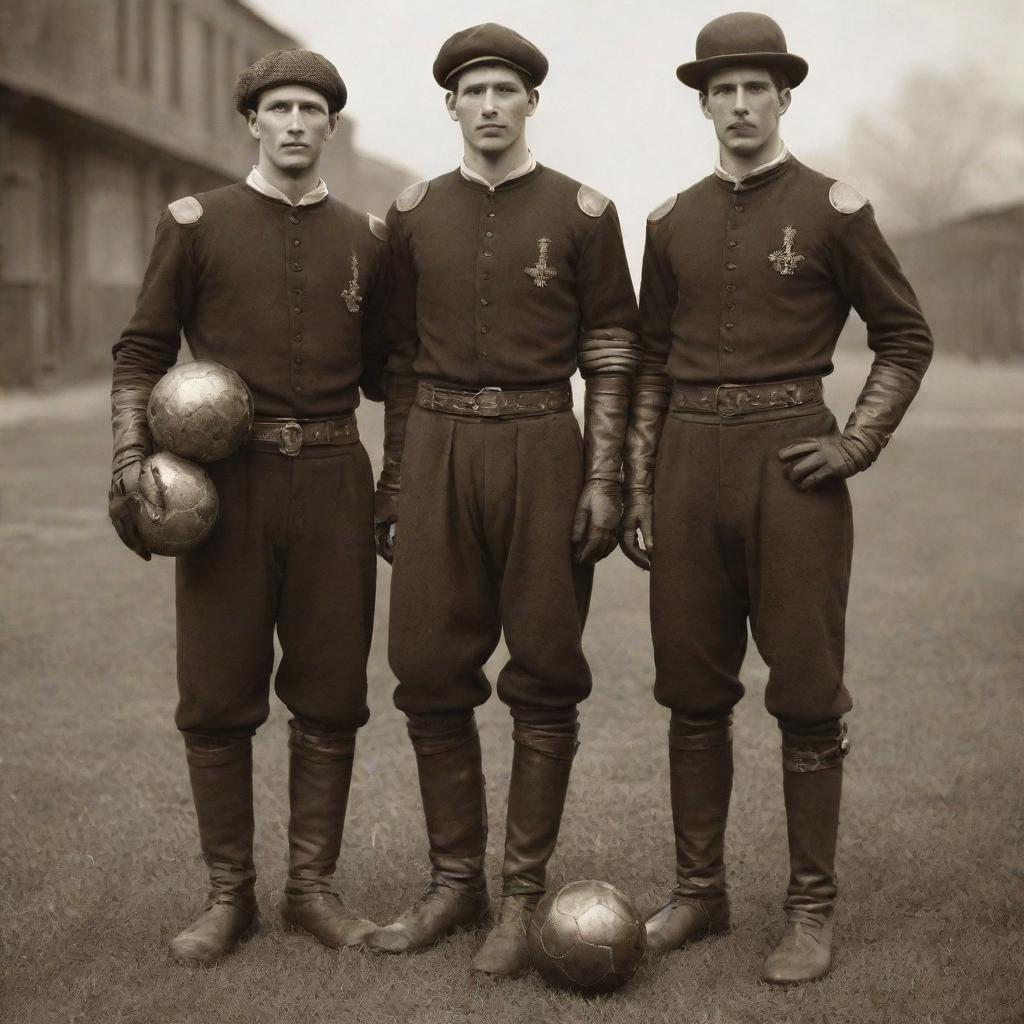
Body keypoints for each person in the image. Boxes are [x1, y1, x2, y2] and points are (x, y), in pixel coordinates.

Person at [619, 13, 933, 984]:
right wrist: (637, 478)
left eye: (758, 87)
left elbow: (903, 335)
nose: (741, 104)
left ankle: (809, 905)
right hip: (686, 468)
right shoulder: (669, 220)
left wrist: (855, 441)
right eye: (724, 90)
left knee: (803, 688)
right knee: (690, 688)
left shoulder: (834, 208)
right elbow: (652, 362)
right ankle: (699, 890)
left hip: (791, 464)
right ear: (703, 102)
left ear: (783, 97)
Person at [366, 23, 640, 977]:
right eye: (472, 90)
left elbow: (612, 351)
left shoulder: (584, 211)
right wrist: (396, 477)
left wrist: (605, 475)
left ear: (531, 102)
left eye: (506, 91)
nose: (489, 105)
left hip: (542, 445)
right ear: (450, 104)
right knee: (426, 665)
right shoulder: (410, 213)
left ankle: (523, 894)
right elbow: (396, 360)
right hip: (438, 441)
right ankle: (455, 881)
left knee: (546, 663)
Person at [108, 49, 389, 965]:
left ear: (330, 125)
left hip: (336, 481)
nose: (298, 122)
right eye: (281, 108)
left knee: (331, 691)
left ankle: (311, 889)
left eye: (314, 108)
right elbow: (141, 352)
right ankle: (229, 895)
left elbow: (398, 374)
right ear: (254, 123)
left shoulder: (367, 238)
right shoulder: (196, 224)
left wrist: (408, 479)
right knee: (219, 694)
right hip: (224, 489)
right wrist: (131, 462)